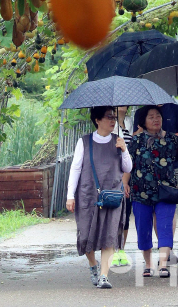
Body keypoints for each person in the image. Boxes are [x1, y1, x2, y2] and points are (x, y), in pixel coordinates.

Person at [66, 106, 132, 289]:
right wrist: (70, 195)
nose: (112, 120)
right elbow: (75, 168)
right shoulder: (85, 142)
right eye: (108, 117)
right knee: (86, 236)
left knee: (109, 235)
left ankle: (104, 276)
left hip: (112, 196)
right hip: (88, 196)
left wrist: (124, 150)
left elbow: (128, 168)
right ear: (97, 120)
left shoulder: (118, 141)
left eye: (113, 117)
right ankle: (93, 265)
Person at [128, 105, 178, 278]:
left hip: (166, 190)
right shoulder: (136, 141)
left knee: (165, 225)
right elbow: (127, 165)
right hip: (140, 191)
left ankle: (163, 264)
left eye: (158, 116)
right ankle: (148, 263)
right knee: (143, 227)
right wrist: (125, 185)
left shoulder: (172, 140)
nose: (155, 119)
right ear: (143, 122)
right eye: (151, 117)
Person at [112, 106, 134, 267]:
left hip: (128, 171)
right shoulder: (110, 124)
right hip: (113, 173)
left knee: (125, 213)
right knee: (114, 214)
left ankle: (121, 249)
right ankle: (112, 250)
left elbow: (131, 147)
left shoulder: (129, 122)